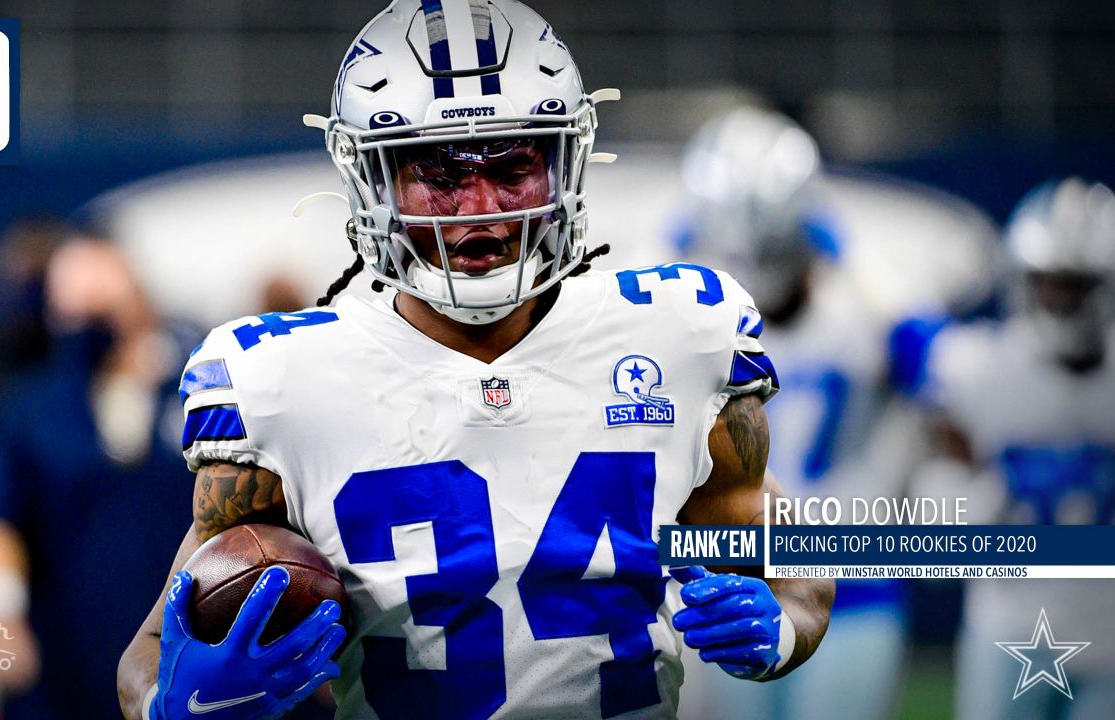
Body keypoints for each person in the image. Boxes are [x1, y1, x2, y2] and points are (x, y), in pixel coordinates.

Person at [118, 3, 833, 719]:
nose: (482, 207)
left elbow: (797, 567)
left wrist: (782, 627)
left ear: (562, 165)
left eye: (514, 164)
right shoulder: (282, 381)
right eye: (439, 171)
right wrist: (170, 703)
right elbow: (150, 649)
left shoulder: (677, 331)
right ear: (375, 179)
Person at [664, 107, 983, 720]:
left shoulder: (863, 313)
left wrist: (857, 263)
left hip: (852, 575)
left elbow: (950, 378)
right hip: (734, 572)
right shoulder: (693, 316)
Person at [0, 235, 202, 719]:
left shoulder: (199, 389)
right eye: (76, 309)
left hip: (190, 643)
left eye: (103, 306)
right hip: (67, 655)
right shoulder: (32, 411)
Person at [909, 177, 1115, 720]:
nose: (1057, 300)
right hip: (1009, 624)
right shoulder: (979, 370)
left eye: (1073, 286)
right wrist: (974, 498)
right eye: (1046, 283)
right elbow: (937, 518)